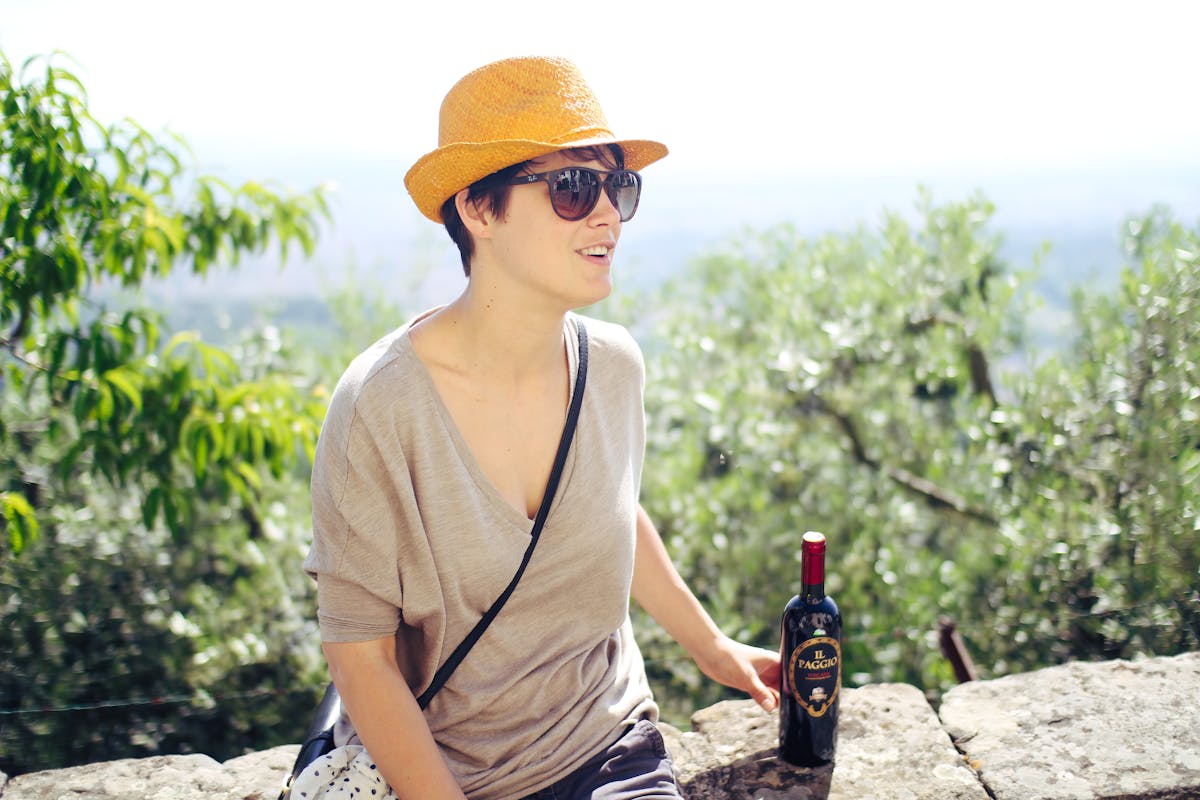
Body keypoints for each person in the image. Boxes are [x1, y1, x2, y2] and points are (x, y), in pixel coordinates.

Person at [297, 56, 781, 800]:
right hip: (442, 772)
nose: (608, 215)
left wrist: (711, 647)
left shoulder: (613, 366)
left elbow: (610, 505)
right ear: (478, 209)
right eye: (572, 187)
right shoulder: (380, 408)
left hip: (607, 749)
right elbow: (361, 660)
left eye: (617, 186)